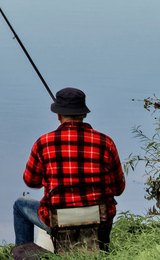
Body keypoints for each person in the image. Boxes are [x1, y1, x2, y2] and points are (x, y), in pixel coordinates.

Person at [14, 87, 125, 251]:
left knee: (20, 205)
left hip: (58, 220)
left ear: (58, 116)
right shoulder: (106, 142)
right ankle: (100, 247)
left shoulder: (43, 143)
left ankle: (26, 255)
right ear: (84, 114)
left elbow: (31, 182)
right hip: (98, 219)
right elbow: (118, 189)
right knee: (105, 208)